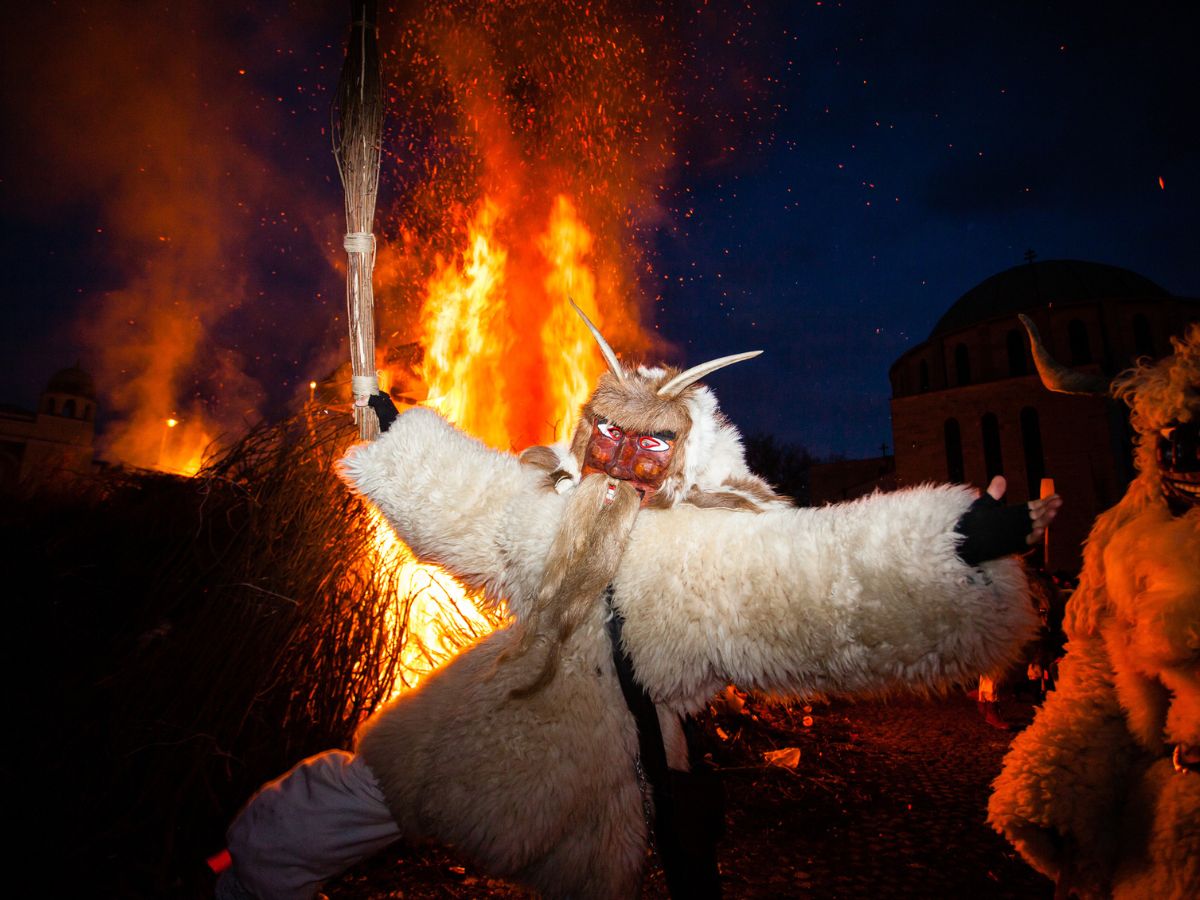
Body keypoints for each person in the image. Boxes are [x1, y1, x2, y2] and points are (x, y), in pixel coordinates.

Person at [218, 305, 1060, 899]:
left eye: (649, 441)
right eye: (608, 435)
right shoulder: (561, 511)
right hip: (488, 714)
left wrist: (949, 549)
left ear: (685, 455)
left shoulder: (709, 548)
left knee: (472, 824)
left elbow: (819, 581)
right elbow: (476, 508)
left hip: (572, 758)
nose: (622, 455)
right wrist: (397, 437)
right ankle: (248, 878)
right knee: (333, 804)